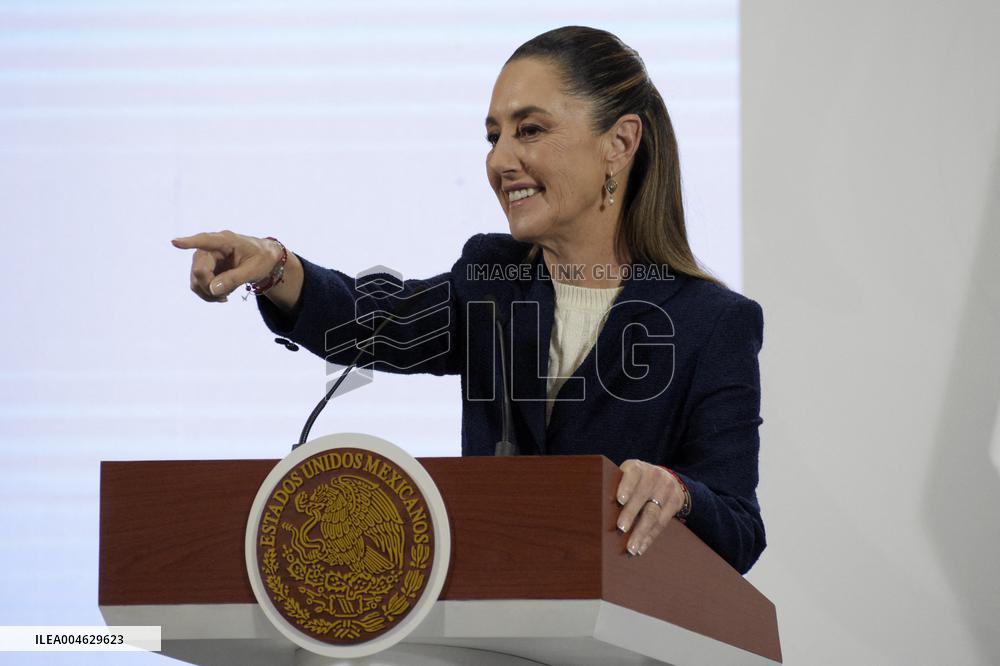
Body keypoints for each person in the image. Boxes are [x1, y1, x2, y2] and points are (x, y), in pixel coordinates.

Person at [172, 26, 766, 574]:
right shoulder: (494, 277)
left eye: (529, 130)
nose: (499, 161)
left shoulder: (713, 324)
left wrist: (679, 494)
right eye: (493, 136)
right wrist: (275, 265)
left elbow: (739, 529)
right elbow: (372, 322)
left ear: (620, 142)